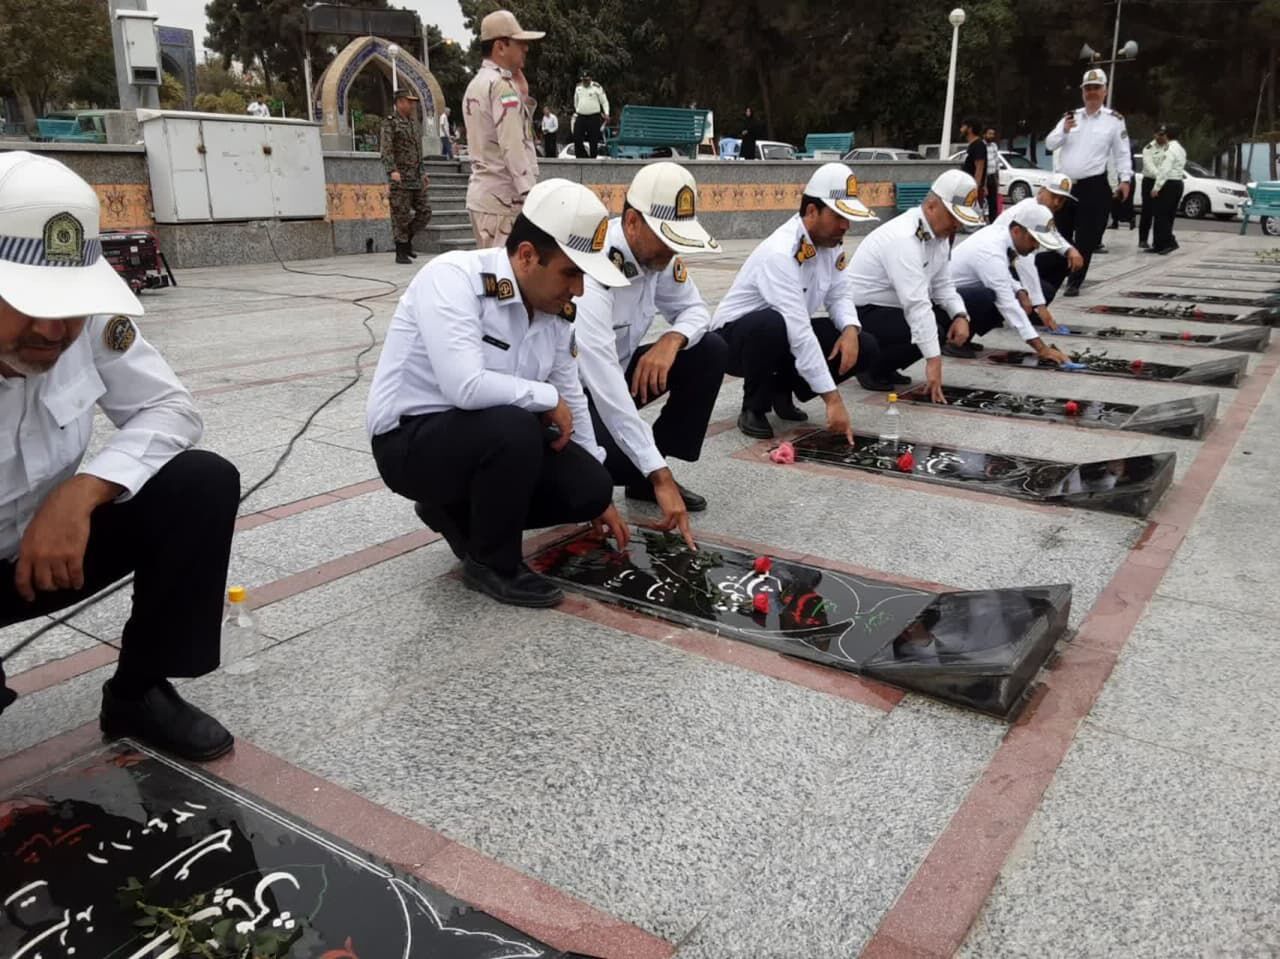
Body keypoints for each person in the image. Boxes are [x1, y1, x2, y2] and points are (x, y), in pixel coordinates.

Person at [0, 152, 238, 761]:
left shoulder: (89, 323)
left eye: (71, 305)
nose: (55, 332)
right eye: (30, 303)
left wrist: (82, 493)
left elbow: (172, 408)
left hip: (48, 555)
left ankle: (139, 692)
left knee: (198, 483)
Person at [366, 178, 629, 608]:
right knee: (513, 425)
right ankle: (493, 563)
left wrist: (599, 494)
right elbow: (465, 387)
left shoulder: (554, 312)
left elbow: (571, 393)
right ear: (527, 256)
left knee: (589, 485)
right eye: (571, 272)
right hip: (408, 444)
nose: (579, 289)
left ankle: (454, 511)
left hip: (486, 441)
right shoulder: (453, 279)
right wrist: (546, 399)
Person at [573, 162, 727, 536]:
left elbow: (694, 310)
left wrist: (671, 340)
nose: (673, 248)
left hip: (616, 373)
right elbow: (604, 385)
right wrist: (660, 475)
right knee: (625, 462)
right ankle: (640, 475)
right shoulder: (596, 266)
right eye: (665, 236)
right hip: (573, 395)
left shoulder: (658, 257)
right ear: (631, 222)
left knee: (708, 350)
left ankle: (646, 477)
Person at [711, 162, 881, 439]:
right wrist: (833, 400)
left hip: (783, 333)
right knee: (772, 323)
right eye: (839, 216)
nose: (846, 225)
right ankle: (754, 406)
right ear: (812, 211)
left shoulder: (830, 244)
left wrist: (850, 329)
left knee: (865, 345)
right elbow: (798, 329)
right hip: (734, 341)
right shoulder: (781, 252)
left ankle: (783, 389)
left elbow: (839, 294)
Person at [847, 169, 982, 399]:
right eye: (953, 216)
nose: (957, 225)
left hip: (891, 308)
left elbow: (943, 285)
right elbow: (915, 302)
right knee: (929, 327)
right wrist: (934, 361)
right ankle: (871, 367)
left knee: (944, 320)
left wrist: (960, 315)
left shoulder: (938, 236)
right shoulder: (904, 237)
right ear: (931, 206)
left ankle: (887, 366)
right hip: (862, 312)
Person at [1043, 67, 1132, 296]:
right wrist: (1063, 130)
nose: (1091, 93)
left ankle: (1075, 281)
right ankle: (1055, 276)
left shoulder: (1114, 120)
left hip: (1093, 185)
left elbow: (1122, 152)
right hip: (1065, 187)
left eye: (1096, 88)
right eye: (1087, 89)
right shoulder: (1071, 117)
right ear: (1082, 91)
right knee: (1059, 234)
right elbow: (1050, 144)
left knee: (1087, 237)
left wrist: (1125, 179)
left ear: (1105, 91)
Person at [949, 201, 1071, 364]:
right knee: (990, 296)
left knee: (1006, 294)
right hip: (942, 301)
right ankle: (951, 340)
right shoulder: (990, 250)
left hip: (960, 293)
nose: (1036, 247)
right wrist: (1042, 348)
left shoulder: (1002, 235)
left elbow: (1003, 275)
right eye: (1033, 240)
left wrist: (1020, 291)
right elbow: (1007, 303)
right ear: (1016, 231)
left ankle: (965, 336)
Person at [463, 9, 544, 249]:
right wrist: (530, 195)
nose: (525, 49)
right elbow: (512, 144)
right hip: (504, 201)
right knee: (506, 279)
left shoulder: (478, 83)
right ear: (500, 46)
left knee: (493, 275)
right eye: (519, 43)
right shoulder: (501, 86)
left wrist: (523, 96)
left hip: (485, 198)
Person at [997, 183, 1085, 328]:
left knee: (1061, 259)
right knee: (1045, 291)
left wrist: (1070, 250)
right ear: (1042, 191)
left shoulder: (1041, 211)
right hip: (1005, 264)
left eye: (1061, 200)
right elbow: (1024, 262)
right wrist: (1040, 304)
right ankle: (1025, 311)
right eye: (1054, 197)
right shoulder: (1029, 209)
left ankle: (1030, 311)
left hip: (1016, 262)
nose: (1057, 203)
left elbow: (1053, 235)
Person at [381, 90, 431, 264]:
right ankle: (401, 251)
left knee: (425, 212)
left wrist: (423, 172)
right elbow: (386, 150)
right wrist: (391, 170)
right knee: (400, 215)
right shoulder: (390, 123)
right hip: (400, 177)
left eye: (412, 102)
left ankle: (407, 240)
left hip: (415, 177)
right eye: (409, 102)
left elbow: (418, 151)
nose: (412, 105)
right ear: (399, 102)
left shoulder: (413, 123)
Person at [1149, 123, 1186, 255]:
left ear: (1167, 135)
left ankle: (1170, 242)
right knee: (1168, 215)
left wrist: (1156, 187)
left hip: (1169, 184)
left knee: (1161, 215)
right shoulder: (1180, 148)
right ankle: (1159, 245)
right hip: (1177, 183)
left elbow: (1165, 169)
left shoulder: (1170, 149)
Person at [1137, 130, 1164, 249]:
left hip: (1163, 182)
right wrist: (1160, 176)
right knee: (1147, 211)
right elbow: (1149, 165)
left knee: (1161, 212)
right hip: (1150, 181)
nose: (1161, 137)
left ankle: (1158, 240)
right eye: (1159, 134)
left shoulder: (1169, 147)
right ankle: (1143, 240)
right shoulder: (1148, 148)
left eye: (1163, 134)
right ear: (1155, 135)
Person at [572, 72, 609, 159]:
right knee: (577, 138)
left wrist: (606, 113)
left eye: (587, 80)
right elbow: (576, 101)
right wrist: (578, 110)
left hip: (593, 117)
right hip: (581, 116)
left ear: (590, 79)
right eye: (584, 80)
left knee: (593, 141)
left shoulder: (597, 87)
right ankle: (582, 158)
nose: (585, 82)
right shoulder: (578, 87)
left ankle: (592, 159)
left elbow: (604, 101)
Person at [961, 119, 988, 214]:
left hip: (972, 190)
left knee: (973, 216)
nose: (961, 129)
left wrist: (975, 189)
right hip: (967, 188)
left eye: (963, 126)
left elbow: (979, 169)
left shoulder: (978, 145)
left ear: (970, 129)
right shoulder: (972, 145)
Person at [984, 126, 1001, 221]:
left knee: (993, 201)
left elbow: (996, 162)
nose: (991, 136)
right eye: (989, 134)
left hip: (992, 176)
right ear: (984, 134)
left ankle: (993, 221)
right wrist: (984, 184)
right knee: (982, 201)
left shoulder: (994, 146)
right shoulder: (981, 146)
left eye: (993, 134)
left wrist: (997, 179)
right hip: (984, 178)